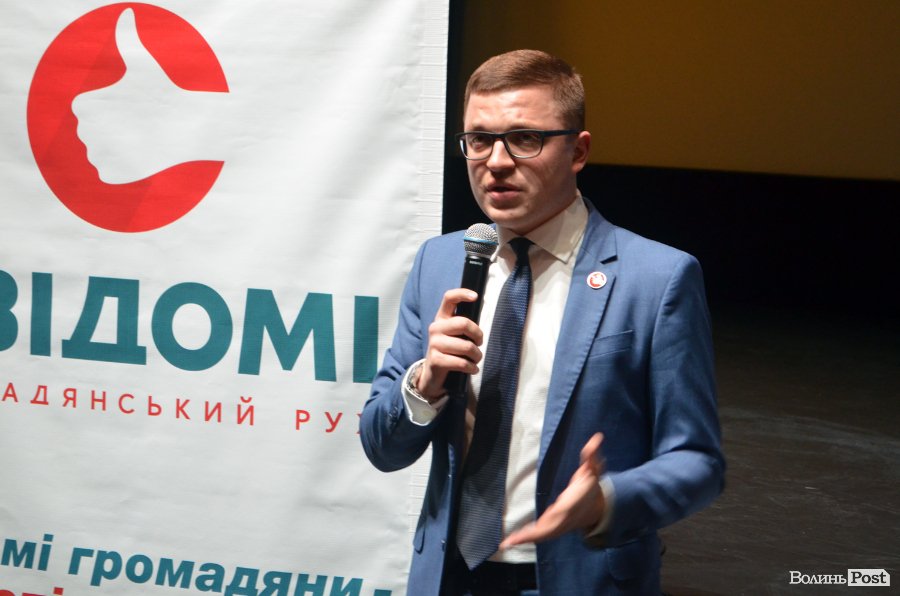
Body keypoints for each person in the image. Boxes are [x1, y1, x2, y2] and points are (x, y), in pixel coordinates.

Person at [359, 49, 725, 595]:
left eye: (524, 138)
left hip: (580, 579)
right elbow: (382, 446)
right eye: (479, 139)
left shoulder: (657, 279)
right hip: (448, 578)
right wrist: (424, 383)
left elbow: (698, 461)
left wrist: (608, 501)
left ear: (578, 151)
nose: (496, 162)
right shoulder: (440, 262)